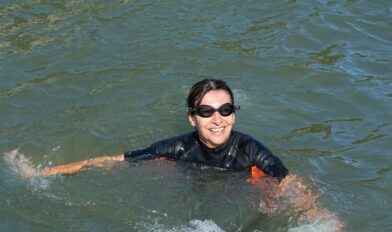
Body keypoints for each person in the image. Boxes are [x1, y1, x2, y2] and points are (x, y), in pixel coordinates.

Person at [43, 78, 288, 180]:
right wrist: (45, 173)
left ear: (233, 115)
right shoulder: (178, 147)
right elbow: (112, 161)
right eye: (206, 111)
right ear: (192, 118)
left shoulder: (251, 150)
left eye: (225, 110)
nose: (217, 119)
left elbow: (290, 184)